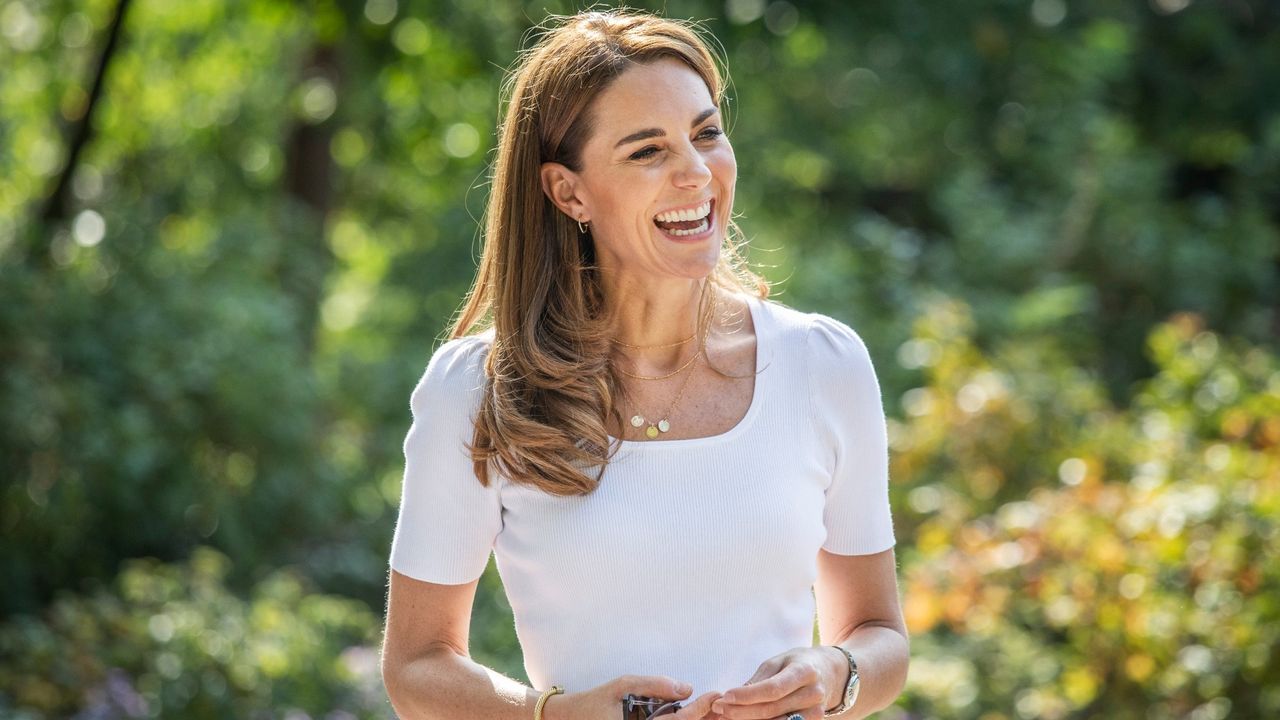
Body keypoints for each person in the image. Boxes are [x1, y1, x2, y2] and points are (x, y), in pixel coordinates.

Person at [380, 9, 908, 720]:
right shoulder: (478, 391)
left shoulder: (824, 364)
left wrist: (834, 671)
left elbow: (880, 638)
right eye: (646, 151)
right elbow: (416, 666)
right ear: (569, 192)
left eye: (706, 133)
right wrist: (550, 715)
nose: (696, 173)